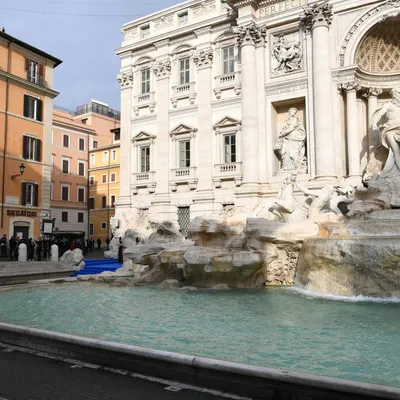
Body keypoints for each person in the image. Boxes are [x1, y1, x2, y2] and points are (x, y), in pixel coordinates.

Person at [274, 107, 306, 172]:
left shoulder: (295, 120)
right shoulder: (286, 121)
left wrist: (283, 134)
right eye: (292, 112)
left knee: (294, 152)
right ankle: (286, 166)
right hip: (287, 138)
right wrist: (282, 134)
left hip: (295, 138)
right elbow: (283, 129)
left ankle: (295, 166)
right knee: (287, 152)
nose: (293, 113)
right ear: (289, 112)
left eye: (294, 112)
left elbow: (291, 128)